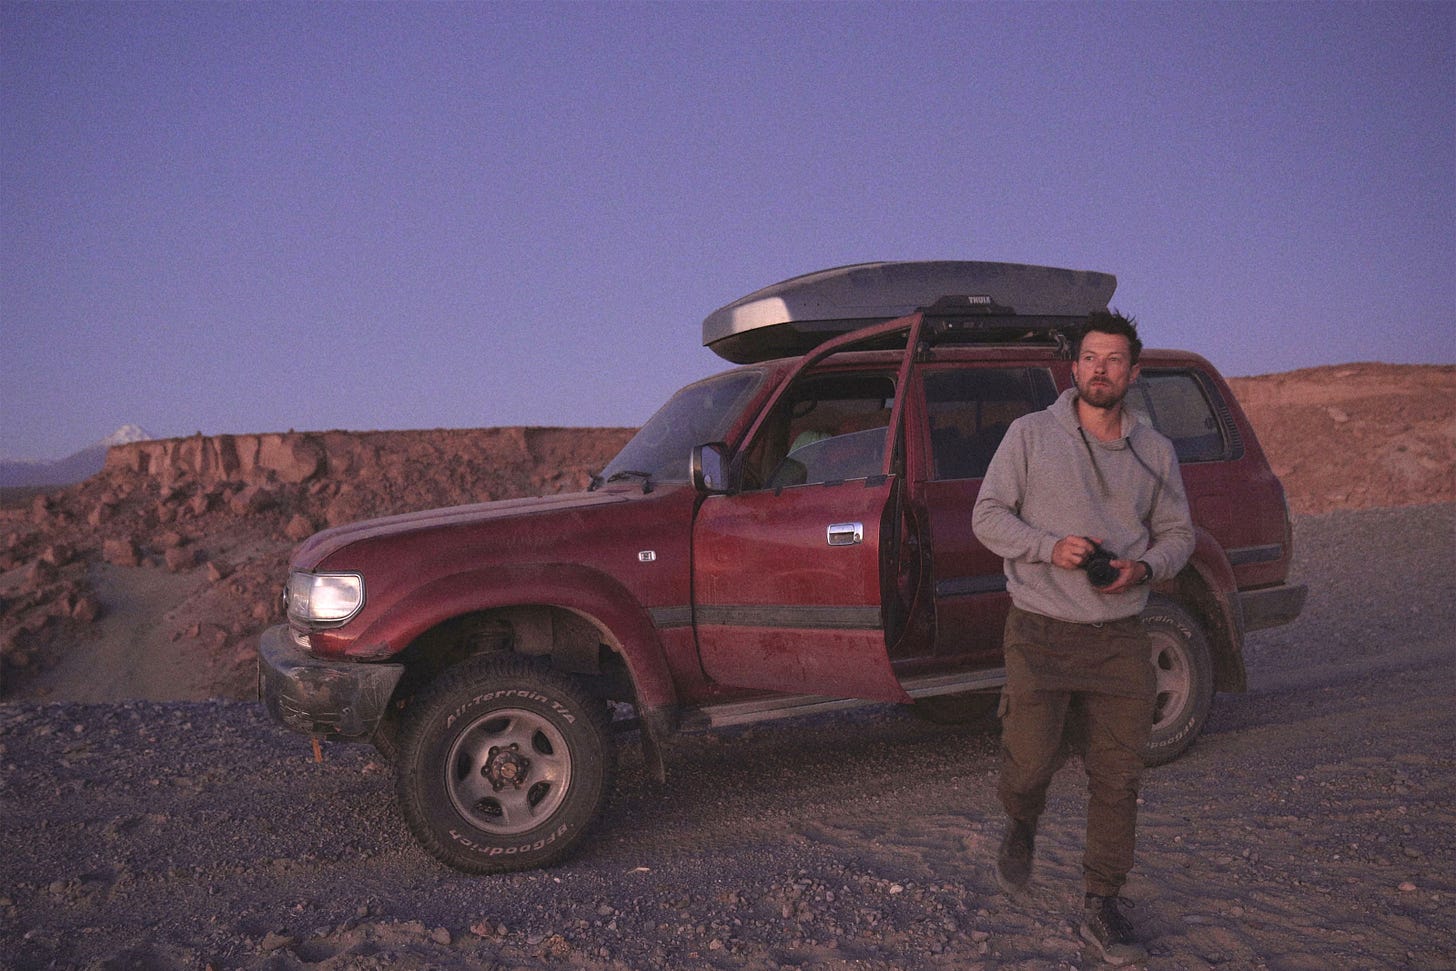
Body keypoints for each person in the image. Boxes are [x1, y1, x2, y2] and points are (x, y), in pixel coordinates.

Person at [971, 310, 1194, 966]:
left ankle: (1102, 900)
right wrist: (1049, 545)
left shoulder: (1154, 451)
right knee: (1030, 762)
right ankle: (1022, 818)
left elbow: (1179, 532)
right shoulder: (1031, 435)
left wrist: (1143, 566)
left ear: (1133, 370)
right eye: (1091, 357)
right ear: (1075, 367)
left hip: (1120, 635)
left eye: (1115, 359)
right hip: (1039, 631)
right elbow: (987, 514)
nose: (1102, 369)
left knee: (1118, 775)